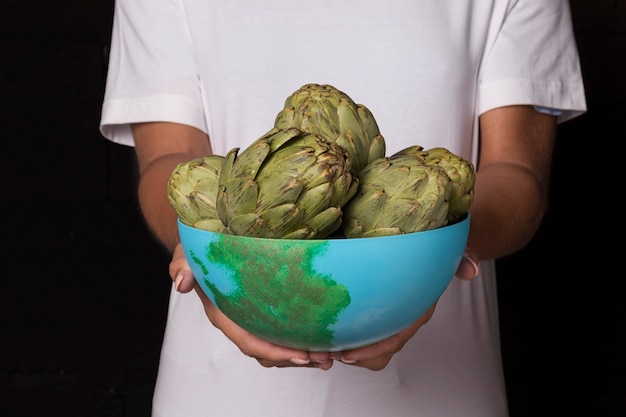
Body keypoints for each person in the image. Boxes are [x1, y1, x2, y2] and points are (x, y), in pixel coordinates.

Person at [100, 1, 586, 416]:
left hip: (446, 392)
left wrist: (431, 255)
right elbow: (169, 160)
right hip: (216, 393)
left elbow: (519, 175)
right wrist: (208, 260)